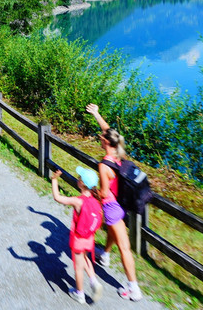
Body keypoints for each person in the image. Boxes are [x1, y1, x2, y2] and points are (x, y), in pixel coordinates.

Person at [86, 103, 143, 301]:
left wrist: (92, 192)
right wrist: (96, 114)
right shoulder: (119, 153)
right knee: (112, 230)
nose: (100, 138)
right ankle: (105, 255)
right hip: (122, 203)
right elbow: (108, 130)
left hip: (112, 207)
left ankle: (133, 287)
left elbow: (104, 192)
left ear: (106, 143)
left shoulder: (103, 165)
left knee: (125, 248)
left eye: (101, 138)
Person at [51, 167, 105, 304]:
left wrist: (54, 180)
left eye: (79, 178)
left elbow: (57, 197)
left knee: (78, 267)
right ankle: (94, 281)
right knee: (85, 258)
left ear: (82, 184)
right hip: (90, 238)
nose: (77, 178)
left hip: (79, 239)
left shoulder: (78, 201)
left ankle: (79, 293)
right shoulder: (96, 199)